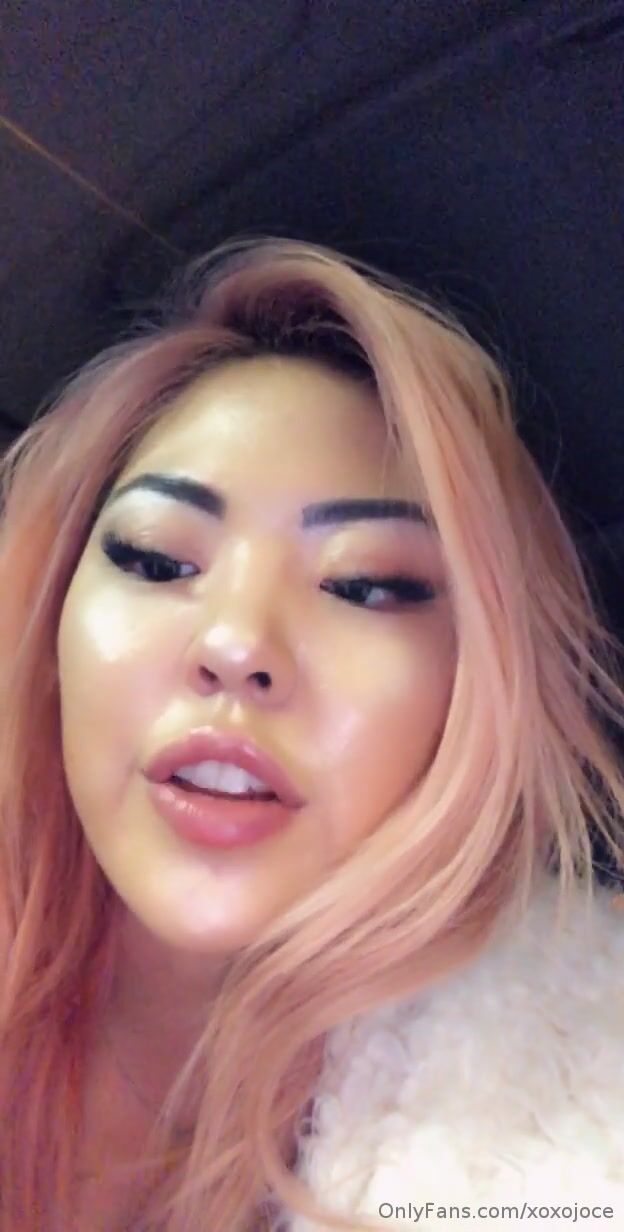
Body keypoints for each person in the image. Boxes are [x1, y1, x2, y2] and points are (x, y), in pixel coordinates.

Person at [0, 235, 623, 1232]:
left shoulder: (572, 1132)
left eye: (365, 584)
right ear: (50, 634)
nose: (237, 644)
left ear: (476, 691)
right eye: (157, 559)